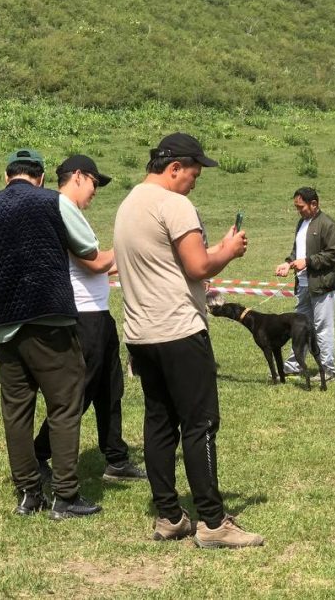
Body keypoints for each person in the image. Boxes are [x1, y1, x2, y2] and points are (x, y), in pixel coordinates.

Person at [114, 132, 263, 548]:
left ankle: (169, 516)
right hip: (179, 329)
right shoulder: (174, 203)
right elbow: (198, 267)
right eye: (193, 173)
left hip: (142, 334)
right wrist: (229, 250)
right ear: (174, 167)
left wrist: (214, 249)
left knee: (159, 424)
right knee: (200, 425)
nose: (195, 182)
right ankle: (214, 523)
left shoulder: (129, 205)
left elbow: (168, 262)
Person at [0, 148, 101, 520]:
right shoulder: (54, 202)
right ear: (38, 177)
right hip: (50, 317)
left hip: (4, 324)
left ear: (6, 177)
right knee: (65, 405)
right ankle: (66, 496)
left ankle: (29, 493)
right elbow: (88, 248)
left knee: (16, 411)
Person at [33, 155, 146, 484]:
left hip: (99, 314)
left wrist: (131, 259)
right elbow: (95, 264)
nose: (95, 191)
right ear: (78, 176)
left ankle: (116, 457)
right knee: (78, 394)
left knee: (110, 390)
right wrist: (132, 248)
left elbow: (102, 265)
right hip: (83, 317)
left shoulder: (73, 213)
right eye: (94, 183)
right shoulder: (62, 209)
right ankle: (39, 454)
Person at [275, 187, 335, 380]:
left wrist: (308, 261)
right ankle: (294, 365)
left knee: (322, 327)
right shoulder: (301, 223)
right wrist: (288, 264)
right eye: (297, 207)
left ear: (314, 204)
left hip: (322, 285)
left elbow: (334, 254)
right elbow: (296, 252)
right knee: (299, 327)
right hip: (302, 285)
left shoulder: (327, 224)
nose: (299, 211)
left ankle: (328, 369)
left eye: (301, 207)